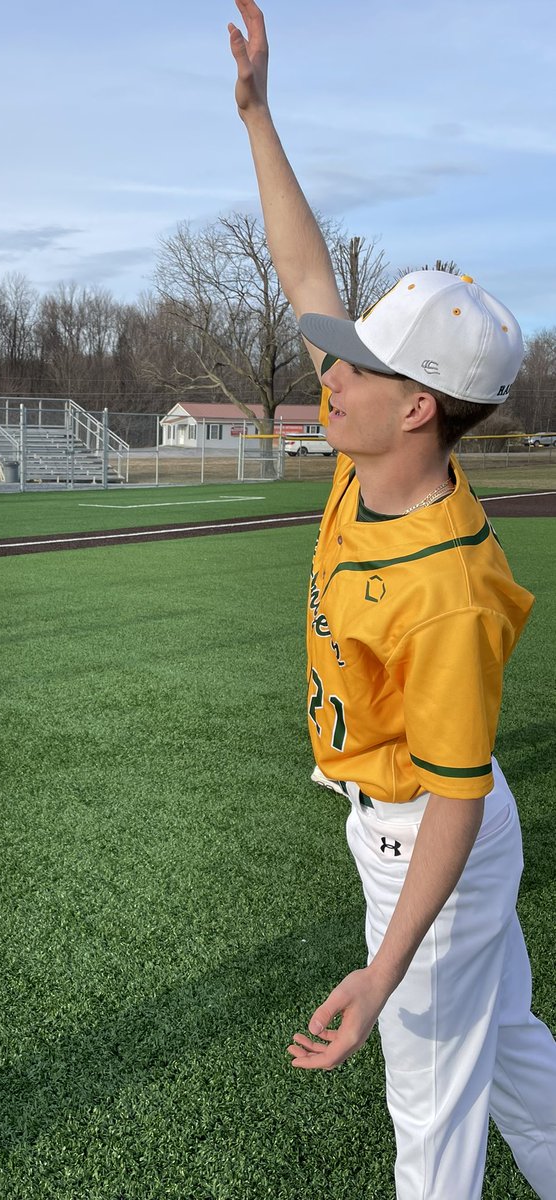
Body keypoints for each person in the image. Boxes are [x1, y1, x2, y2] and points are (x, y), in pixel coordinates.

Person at [227, 4, 556, 1197]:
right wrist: (261, 117)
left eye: (358, 361)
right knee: (506, 1052)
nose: (331, 367)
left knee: (430, 1104)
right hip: (416, 822)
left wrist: (384, 967)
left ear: (419, 404)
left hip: (432, 843)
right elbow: (305, 273)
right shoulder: (371, 459)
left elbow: (457, 810)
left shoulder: (447, 590)